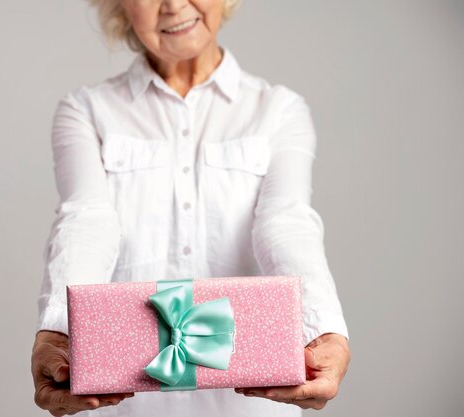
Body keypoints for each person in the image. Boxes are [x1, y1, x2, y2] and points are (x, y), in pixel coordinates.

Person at [31, 0, 351, 416]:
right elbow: (86, 219)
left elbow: (286, 222)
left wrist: (325, 328)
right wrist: (56, 331)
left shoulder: (279, 110)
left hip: (250, 406)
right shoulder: (86, 111)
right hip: (125, 405)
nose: (175, 4)